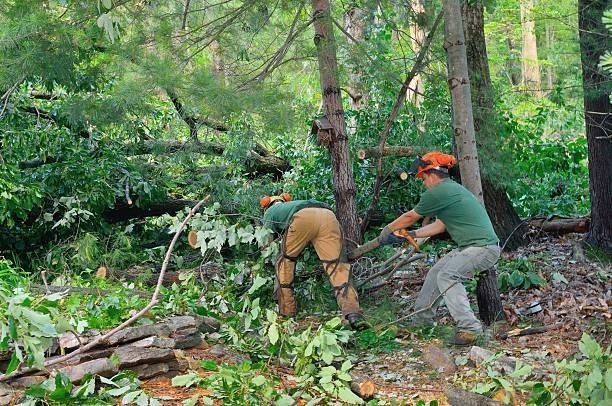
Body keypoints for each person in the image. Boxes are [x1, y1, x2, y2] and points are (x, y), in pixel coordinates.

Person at [379, 151, 500, 345]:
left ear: (432, 174)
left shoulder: (438, 192)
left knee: (447, 275)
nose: (424, 183)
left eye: (424, 178)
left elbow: (410, 217)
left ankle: (471, 329)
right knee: (436, 272)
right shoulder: (450, 190)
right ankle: (421, 323)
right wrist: (412, 235)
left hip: (483, 248)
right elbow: (440, 225)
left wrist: (387, 230)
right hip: (470, 247)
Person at [261, 193, 367, 330]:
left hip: (302, 218)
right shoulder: (294, 204)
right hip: (328, 215)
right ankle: (352, 313)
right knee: (336, 265)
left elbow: (267, 242)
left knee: (285, 262)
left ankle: (287, 312)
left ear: (266, 206)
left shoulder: (269, 212)